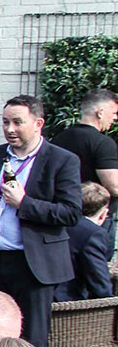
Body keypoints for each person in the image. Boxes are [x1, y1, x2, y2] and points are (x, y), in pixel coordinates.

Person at [0, 94, 81, 347]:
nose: (10, 129)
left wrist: (24, 203)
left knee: (32, 340)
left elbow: (71, 213)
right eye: (5, 122)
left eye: (17, 122)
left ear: (38, 123)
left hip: (31, 265)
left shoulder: (62, 160)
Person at [51, 87, 118, 254]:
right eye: (114, 112)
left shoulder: (58, 139)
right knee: (95, 266)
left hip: (63, 217)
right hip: (96, 220)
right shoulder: (103, 144)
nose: (115, 118)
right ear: (100, 113)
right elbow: (114, 186)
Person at [58, 182, 114, 304]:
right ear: (103, 214)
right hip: (69, 303)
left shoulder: (55, 221)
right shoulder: (92, 233)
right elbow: (99, 283)